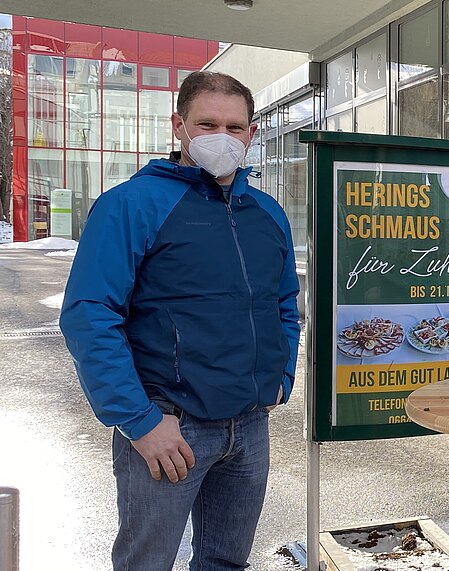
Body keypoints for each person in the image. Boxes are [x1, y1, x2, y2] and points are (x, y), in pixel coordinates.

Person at [60, 71, 299, 571]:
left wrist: (281, 377)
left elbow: (283, 303)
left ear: (252, 133)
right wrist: (138, 420)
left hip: (250, 426)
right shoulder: (131, 205)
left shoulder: (267, 212)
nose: (223, 136)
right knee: (147, 564)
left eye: (236, 126)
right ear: (179, 126)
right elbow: (90, 315)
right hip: (170, 426)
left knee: (226, 562)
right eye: (207, 123)